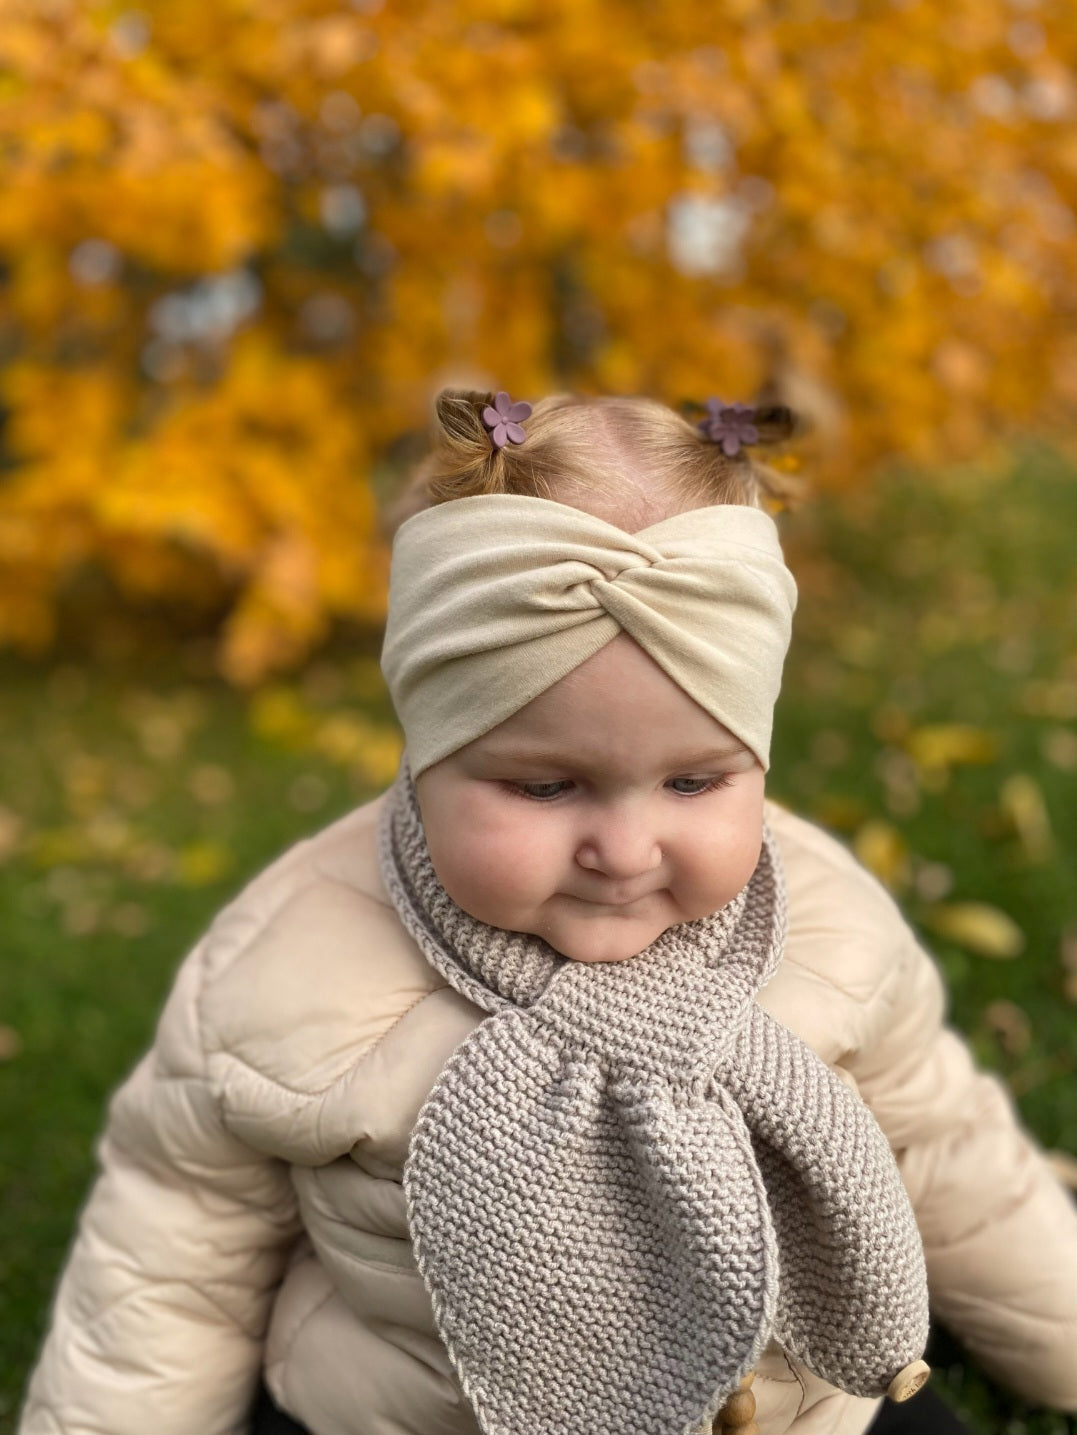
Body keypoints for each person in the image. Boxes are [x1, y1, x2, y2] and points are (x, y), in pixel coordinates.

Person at [18, 391, 1077, 1435]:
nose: (623, 849)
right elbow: (169, 1257)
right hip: (422, 1407)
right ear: (429, 750)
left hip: (799, 1405)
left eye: (695, 782)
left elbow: (949, 1150)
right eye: (542, 786)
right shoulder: (283, 968)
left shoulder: (831, 924)